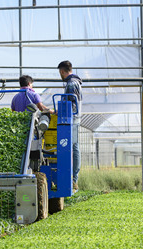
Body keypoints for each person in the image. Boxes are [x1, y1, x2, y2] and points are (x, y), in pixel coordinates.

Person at [58, 60, 82, 191]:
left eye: (60, 72)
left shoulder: (71, 83)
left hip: (71, 119)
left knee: (72, 147)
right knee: (73, 146)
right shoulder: (75, 82)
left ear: (62, 71)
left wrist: (61, 112)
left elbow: (72, 105)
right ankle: (72, 179)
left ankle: (72, 180)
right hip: (74, 118)